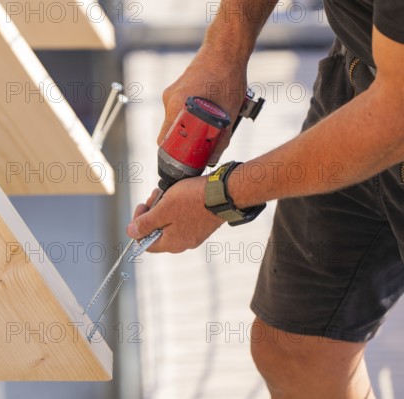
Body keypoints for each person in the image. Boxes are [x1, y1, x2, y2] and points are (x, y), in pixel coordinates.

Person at [126, 1, 404, 397]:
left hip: (393, 111)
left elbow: (395, 119)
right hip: (362, 73)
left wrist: (220, 195)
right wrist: (225, 51)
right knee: (297, 348)